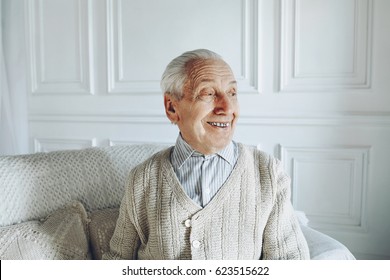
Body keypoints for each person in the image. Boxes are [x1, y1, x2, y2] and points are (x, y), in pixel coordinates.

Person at [103, 49, 310, 260]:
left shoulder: (268, 174)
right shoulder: (142, 179)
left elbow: (291, 263)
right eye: (209, 93)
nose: (227, 108)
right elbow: (117, 260)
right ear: (172, 107)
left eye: (232, 93)